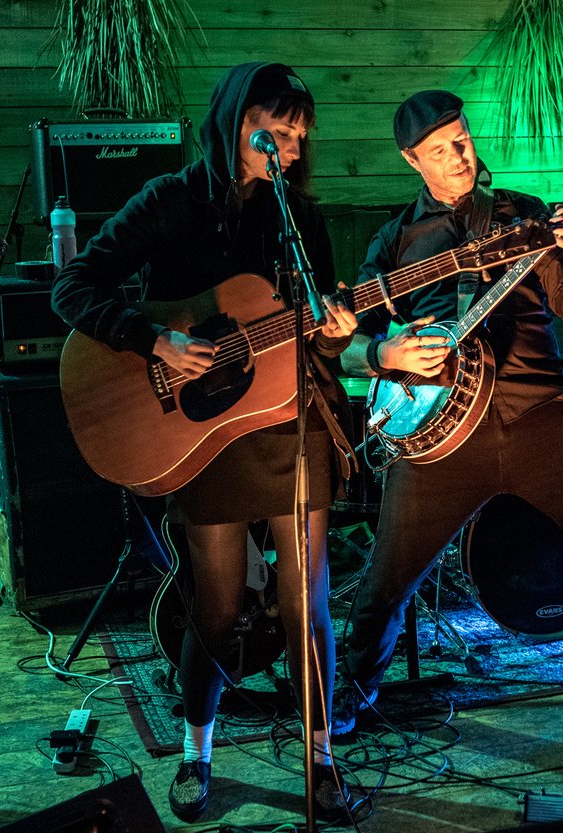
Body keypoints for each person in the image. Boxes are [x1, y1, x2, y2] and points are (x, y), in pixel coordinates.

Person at [334, 89, 563, 747]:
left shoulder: (524, 215)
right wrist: (385, 351)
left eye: (464, 137)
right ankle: (349, 697)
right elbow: (347, 347)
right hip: (439, 436)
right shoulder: (393, 242)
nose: (461, 153)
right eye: (442, 148)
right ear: (411, 158)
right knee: (385, 582)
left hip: (540, 414)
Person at [50, 62, 359, 822]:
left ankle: (321, 759)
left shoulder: (301, 219)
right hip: (203, 435)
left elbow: (309, 333)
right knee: (217, 607)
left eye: (296, 137)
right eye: (273, 128)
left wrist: (338, 330)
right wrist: (150, 338)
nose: (285, 147)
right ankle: (198, 749)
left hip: (289, 424)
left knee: (306, 601)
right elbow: (73, 286)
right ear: (233, 118)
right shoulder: (169, 201)